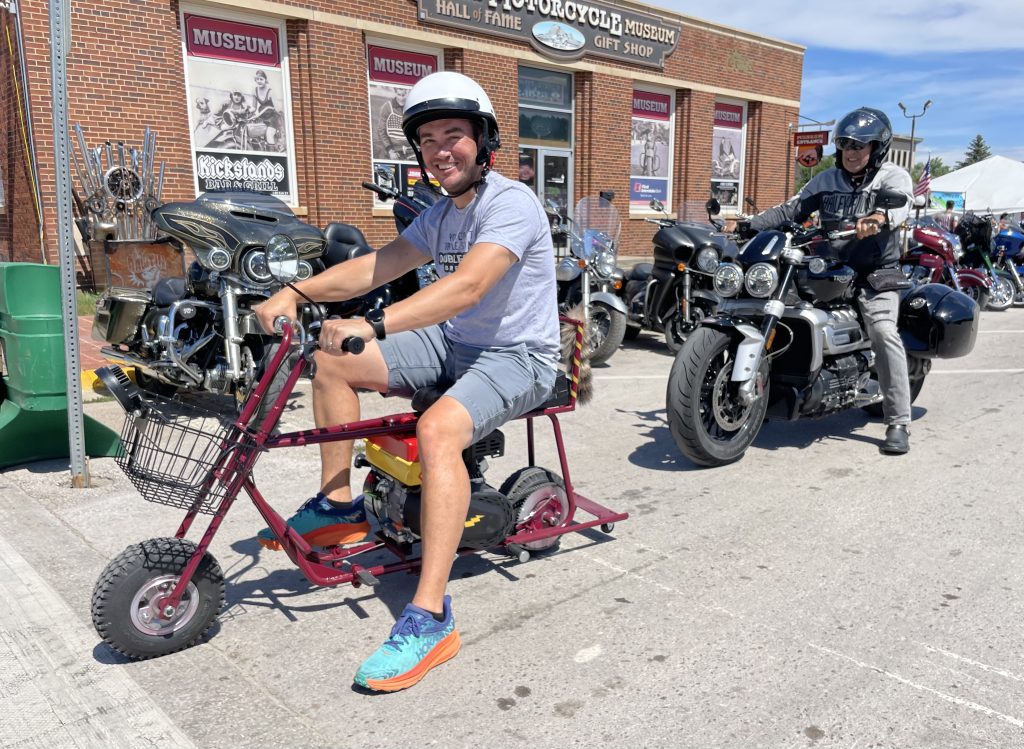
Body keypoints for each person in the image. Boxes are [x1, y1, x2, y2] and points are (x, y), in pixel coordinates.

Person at [253, 71, 560, 691]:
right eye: (427, 139)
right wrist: (295, 291)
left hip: (519, 355)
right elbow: (377, 265)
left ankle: (430, 617)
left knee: (438, 427)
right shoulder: (441, 214)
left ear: (484, 141)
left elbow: (469, 285)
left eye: (454, 134)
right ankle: (339, 506)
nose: (441, 149)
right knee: (332, 360)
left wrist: (374, 323)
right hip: (457, 344)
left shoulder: (511, 203)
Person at [729, 106, 914, 455]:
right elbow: (790, 209)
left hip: (876, 273)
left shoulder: (892, 177)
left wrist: (878, 216)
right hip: (829, 267)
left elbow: (901, 204)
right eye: (845, 145)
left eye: (860, 146)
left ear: (878, 148)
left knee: (883, 332)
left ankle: (898, 420)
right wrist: (746, 224)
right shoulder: (827, 180)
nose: (851, 152)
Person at [251, 69, 283, 151]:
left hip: (272, 117)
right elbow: (253, 107)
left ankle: (272, 154)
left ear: (265, 80)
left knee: (269, 134)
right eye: (257, 79)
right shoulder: (254, 91)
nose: (259, 81)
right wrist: (247, 111)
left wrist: (276, 110)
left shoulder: (270, 91)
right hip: (262, 116)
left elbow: (277, 108)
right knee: (254, 131)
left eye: (261, 79)